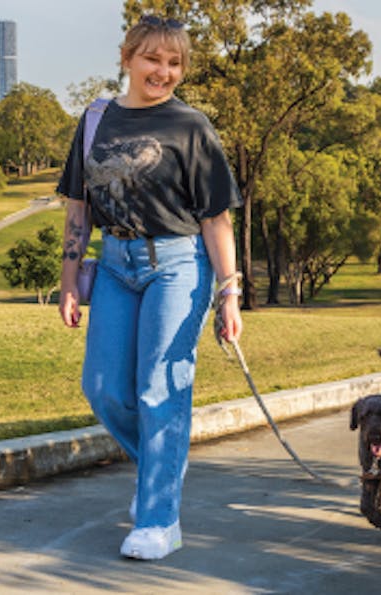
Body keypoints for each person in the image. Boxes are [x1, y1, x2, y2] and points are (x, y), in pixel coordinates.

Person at [56, 15, 243, 561]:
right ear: (128, 57)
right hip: (114, 263)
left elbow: (216, 220)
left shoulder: (192, 126)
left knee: (160, 390)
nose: (163, 71)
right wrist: (69, 280)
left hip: (178, 265)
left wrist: (229, 292)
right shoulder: (95, 120)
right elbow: (78, 207)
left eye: (175, 62)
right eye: (153, 59)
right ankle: (159, 474)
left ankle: (160, 519)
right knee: (104, 389)